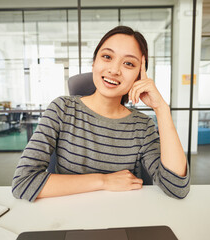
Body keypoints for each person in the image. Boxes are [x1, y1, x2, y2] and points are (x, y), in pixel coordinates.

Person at [12, 26, 190, 202]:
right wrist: (103, 181)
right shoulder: (62, 109)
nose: (114, 70)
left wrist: (162, 109)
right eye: (107, 57)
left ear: (138, 77)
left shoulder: (142, 125)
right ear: (94, 63)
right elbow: (23, 182)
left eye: (129, 63)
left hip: (122, 218)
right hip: (67, 218)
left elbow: (176, 188)